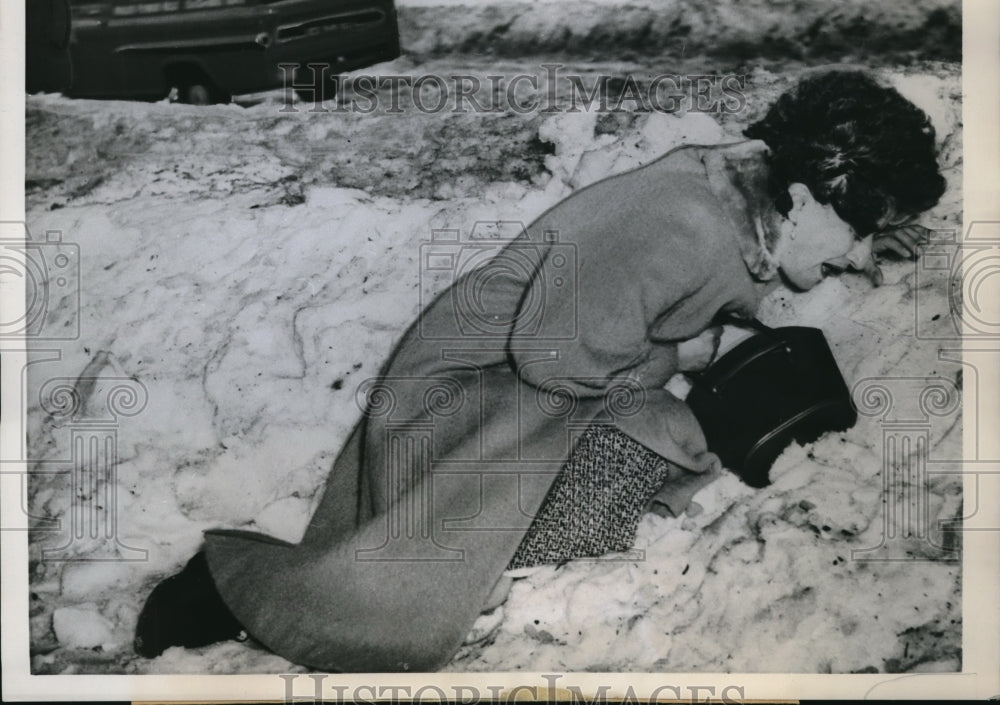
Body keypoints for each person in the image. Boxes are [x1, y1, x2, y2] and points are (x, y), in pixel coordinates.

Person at [134, 69, 945, 671]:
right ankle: (248, 588)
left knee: (662, 458)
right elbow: (554, 355)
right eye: (862, 233)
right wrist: (679, 354)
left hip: (520, 384)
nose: (863, 259)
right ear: (803, 199)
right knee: (650, 459)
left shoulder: (743, 201)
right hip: (459, 396)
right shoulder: (686, 223)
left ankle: (454, 555)